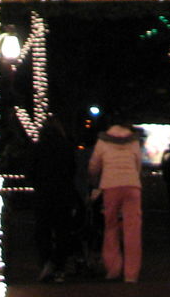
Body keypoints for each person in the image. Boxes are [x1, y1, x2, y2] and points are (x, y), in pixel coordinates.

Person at [88, 114, 144, 282]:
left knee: (110, 226)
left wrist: (94, 179)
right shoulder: (133, 141)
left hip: (110, 185)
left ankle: (113, 268)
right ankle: (131, 274)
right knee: (132, 230)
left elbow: (94, 166)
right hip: (132, 186)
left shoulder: (103, 141)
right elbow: (138, 164)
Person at [28, 114, 80, 282]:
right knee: (63, 230)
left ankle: (46, 262)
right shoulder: (66, 147)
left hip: (43, 193)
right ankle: (59, 266)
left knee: (42, 230)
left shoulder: (38, 147)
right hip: (63, 193)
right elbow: (73, 170)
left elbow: (30, 172)